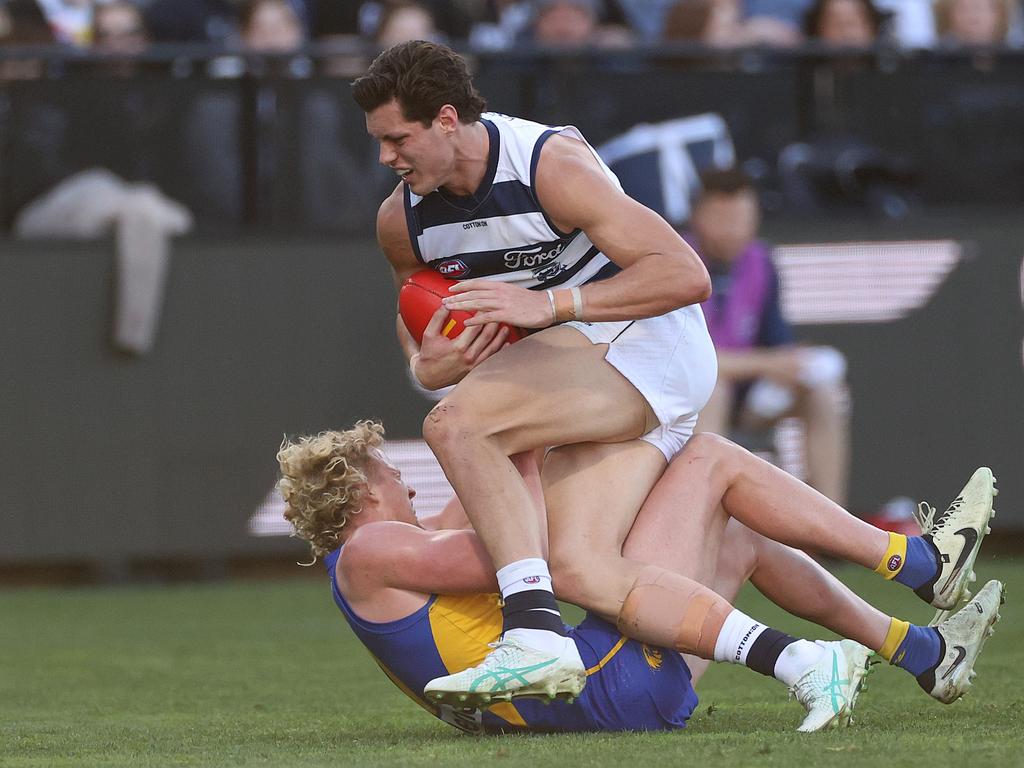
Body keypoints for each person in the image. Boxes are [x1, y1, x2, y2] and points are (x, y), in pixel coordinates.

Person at [350, 40, 995, 706]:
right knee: (584, 561)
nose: (385, 159)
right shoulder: (402, 220)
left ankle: (534, 632)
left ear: (448, 119)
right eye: (377, 142)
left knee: (458, 423)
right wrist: (423, 358)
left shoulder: (550, 167)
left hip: (649, 344)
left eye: (397, 139)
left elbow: (684, 275)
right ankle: (920, 632)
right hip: (573, 364)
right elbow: (416, 312)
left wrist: (547, 304)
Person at [277, 421, 1004, 733]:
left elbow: (469, 513)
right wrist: (522, 450)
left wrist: (499, 435)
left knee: (740, 532)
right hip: (606, 687)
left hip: (599, 698)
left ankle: (926, 654)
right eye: (396, 478)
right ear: (367, 493)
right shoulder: (372, 553)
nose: (408, 489)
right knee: (711, 460)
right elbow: (504, 551)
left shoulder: (374, 564)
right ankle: (916, 562)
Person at [685, 168, 850, 507]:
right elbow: (687, 357)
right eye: (722, 217)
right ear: (697, 216)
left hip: (748, 397)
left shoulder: (761, 261)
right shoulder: (676, 258)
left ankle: (832, 523)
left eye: (743, 217)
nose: (733, 229)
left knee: (824, 393)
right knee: (714, 390)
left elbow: (777, 346)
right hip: (688, 396)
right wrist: (768, 363)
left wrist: (789, 364)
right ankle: (703, 516)